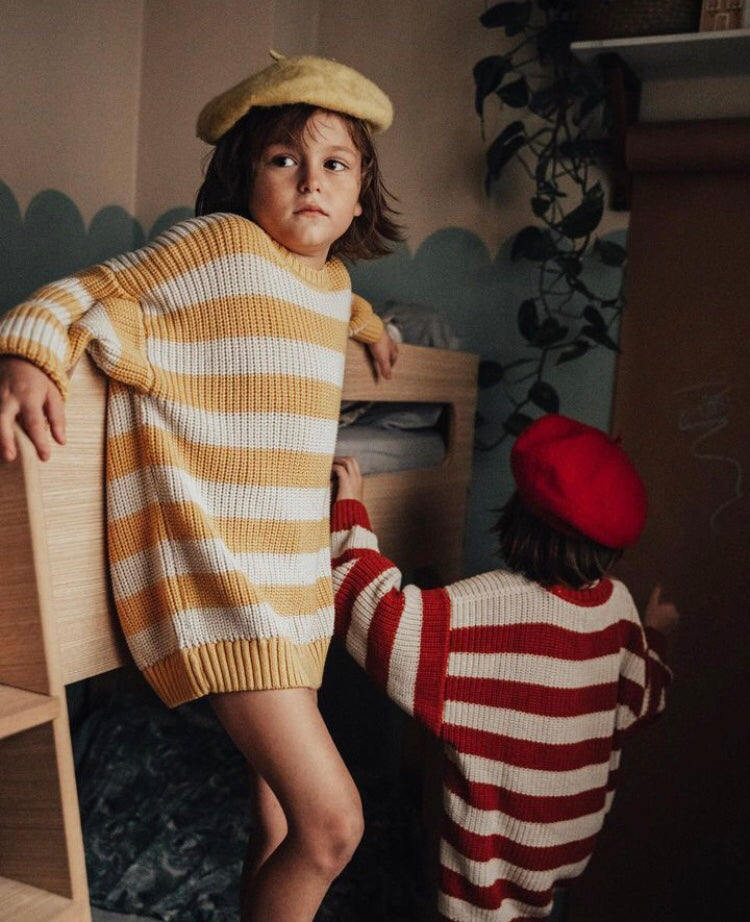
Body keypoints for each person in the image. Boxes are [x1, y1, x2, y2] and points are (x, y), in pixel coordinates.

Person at [0, 52, 402, 922]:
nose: (311, 181)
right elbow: (87, 292)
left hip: (294, 586)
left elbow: (334, 304)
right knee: (333, 827)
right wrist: (27, 354)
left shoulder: (334, 283)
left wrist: (374, 328)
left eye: (335, 164)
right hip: (225, 584)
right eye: (284, 159)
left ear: (361, 196)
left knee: (276, 817)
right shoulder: (217, 248)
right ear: (242, 177)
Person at [330, 413, 679, 922]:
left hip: (485, 887)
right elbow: (646, 698)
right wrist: (657, 633)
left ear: (517, 513)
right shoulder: (620, 611)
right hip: (563, 853)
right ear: (610, 550)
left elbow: (373, 617)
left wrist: (351, 513)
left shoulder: (481, 609)